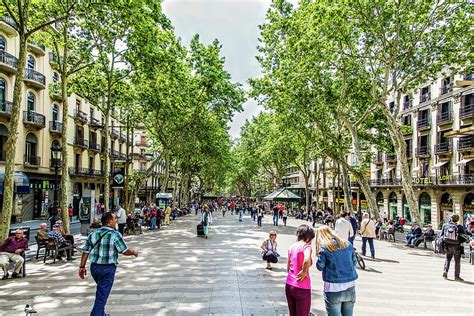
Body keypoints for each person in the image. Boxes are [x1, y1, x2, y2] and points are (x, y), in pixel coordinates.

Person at [79, 212, 139, 316]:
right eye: (115, 219)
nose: (116, 221)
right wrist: (133, 252)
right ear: (110, 222)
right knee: (102, 296)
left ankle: (102, 313)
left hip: (94, 268)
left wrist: (82, 267)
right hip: (107, 269)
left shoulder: (93, 234)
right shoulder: (115, 235)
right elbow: (124, 251)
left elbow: (85, 251)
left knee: (102, 291)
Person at [316, 226, 358, 316]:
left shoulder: (325, 248)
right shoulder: (347, 244)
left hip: (333, 288)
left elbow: (320, 266)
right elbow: (354, 262)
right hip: (350, 285)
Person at [285, 224, 315, 316]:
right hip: (302, 287)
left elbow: (288, 267)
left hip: (289, 285)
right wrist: (304, 271)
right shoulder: (306, 246)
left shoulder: (292, 247)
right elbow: (307, 259)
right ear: (308, 237)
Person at [441, 214, 466, 281]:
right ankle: (456, 277)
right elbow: (464, 237)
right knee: (457, 261)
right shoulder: (459, 226)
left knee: (447, 259)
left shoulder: (445, 225)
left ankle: (445, 272)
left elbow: (441, 236)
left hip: (447, 246)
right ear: (457, 220)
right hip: (457, 246)